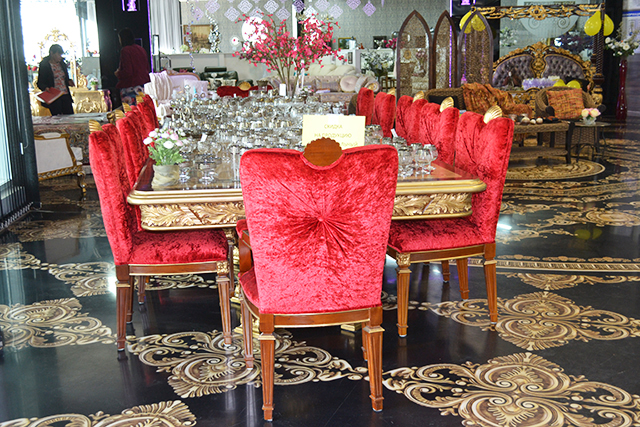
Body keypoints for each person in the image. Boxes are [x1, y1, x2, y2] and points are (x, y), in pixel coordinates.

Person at [115, 28, 150, 105]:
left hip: (130, 85)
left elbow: (128, 71)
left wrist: (118, 73)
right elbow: (147, 67)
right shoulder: (141, 49)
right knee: (140, 108)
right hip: (141, 85)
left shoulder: (125, 50)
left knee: (130, 110)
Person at [37, 44, 74, 115]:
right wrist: (46, 88)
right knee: (57, 117)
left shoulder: (62, 64)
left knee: (69, 116)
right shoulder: (45, 65)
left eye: (61, 54)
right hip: (54, 97)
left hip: (65, 94)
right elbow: (40, 82)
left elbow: (64, 78)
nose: (60, 56)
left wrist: (69, 81)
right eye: (58, 54)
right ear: (52, 53)